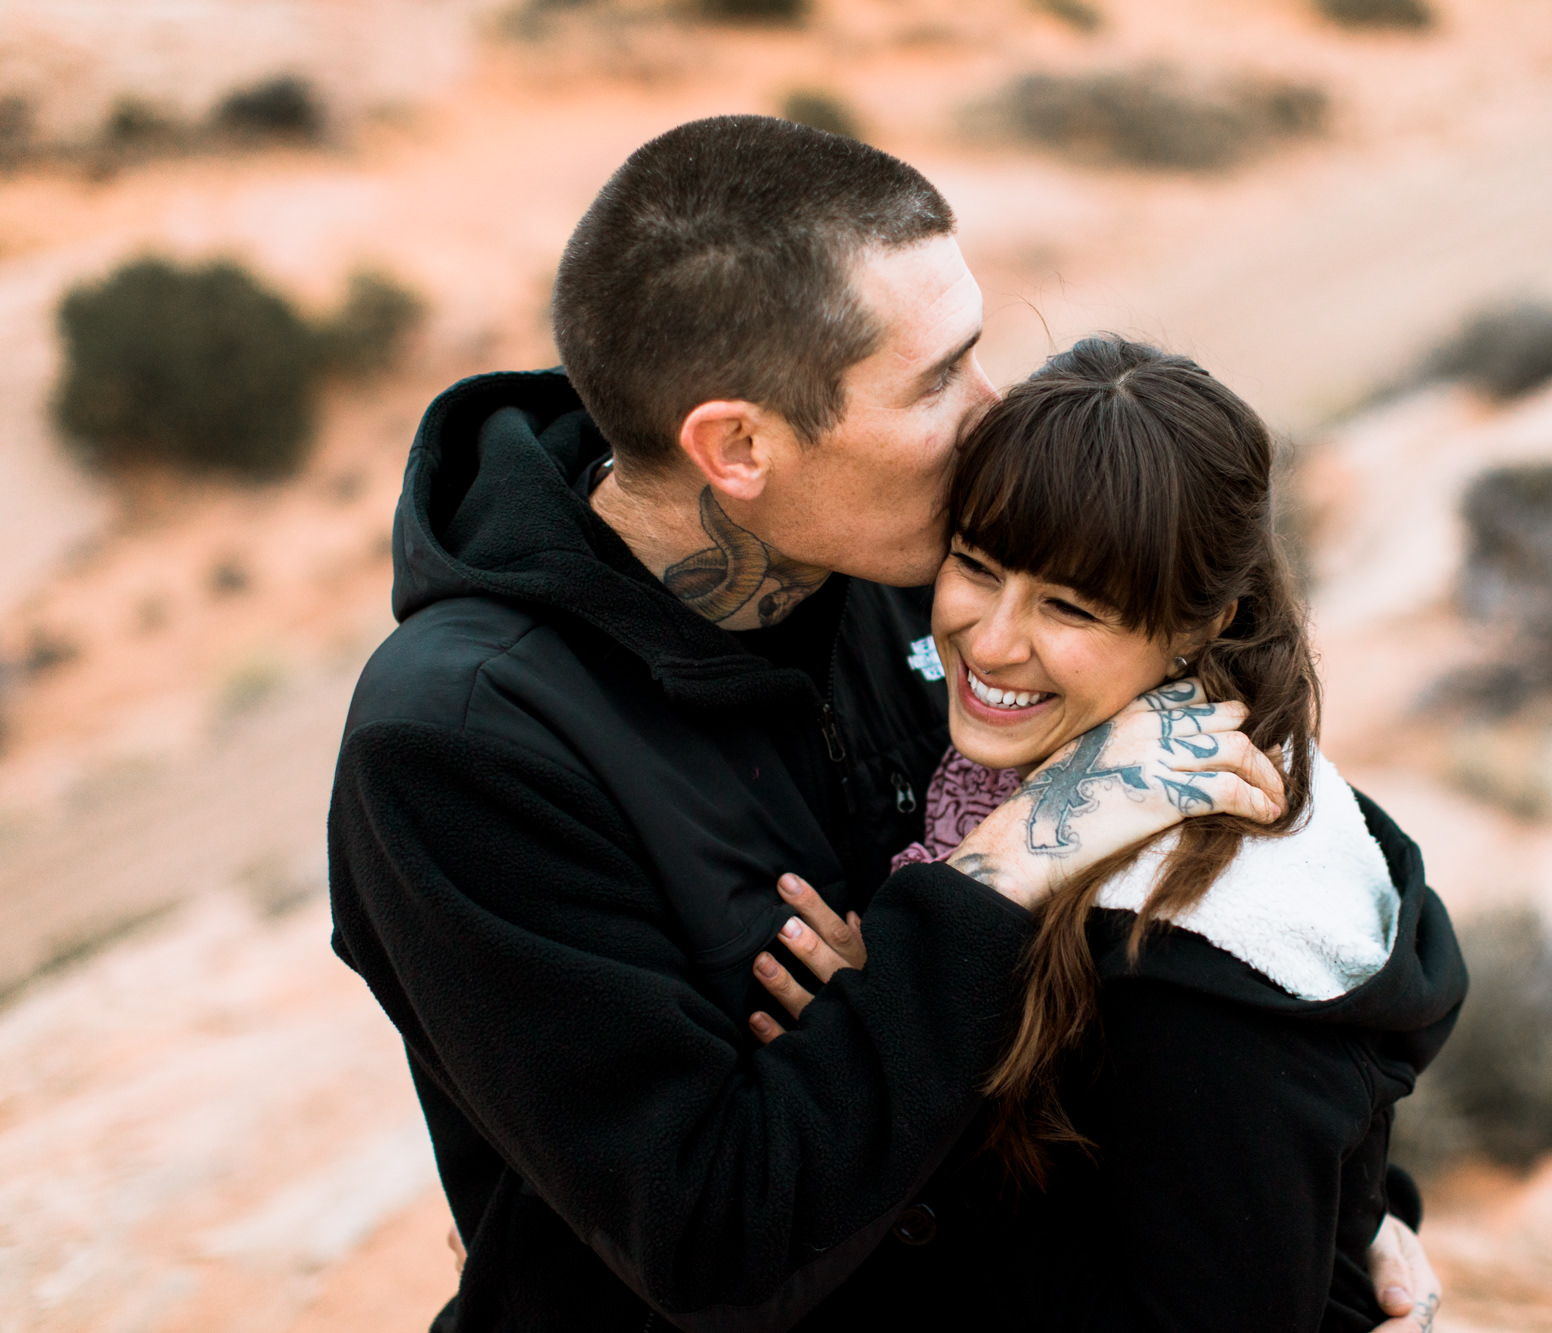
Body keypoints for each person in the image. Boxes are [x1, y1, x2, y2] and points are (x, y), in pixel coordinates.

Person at [328, 114, 1442, 1331]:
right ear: (738, 445)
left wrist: (1336, 1205)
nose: (988, 409)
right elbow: (712, 1235)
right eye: (935, 379)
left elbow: (1259, 907)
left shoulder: (935, 564)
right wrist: (1011, 862)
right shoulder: (462, 743)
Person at [752, 337, 1466, 1331]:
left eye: (1070, 606)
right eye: (976, 564)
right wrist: (918, 986)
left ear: (1203, 623)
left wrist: (897, 1033)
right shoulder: (1041, 769)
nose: (992, 640)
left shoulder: (1201, 940)